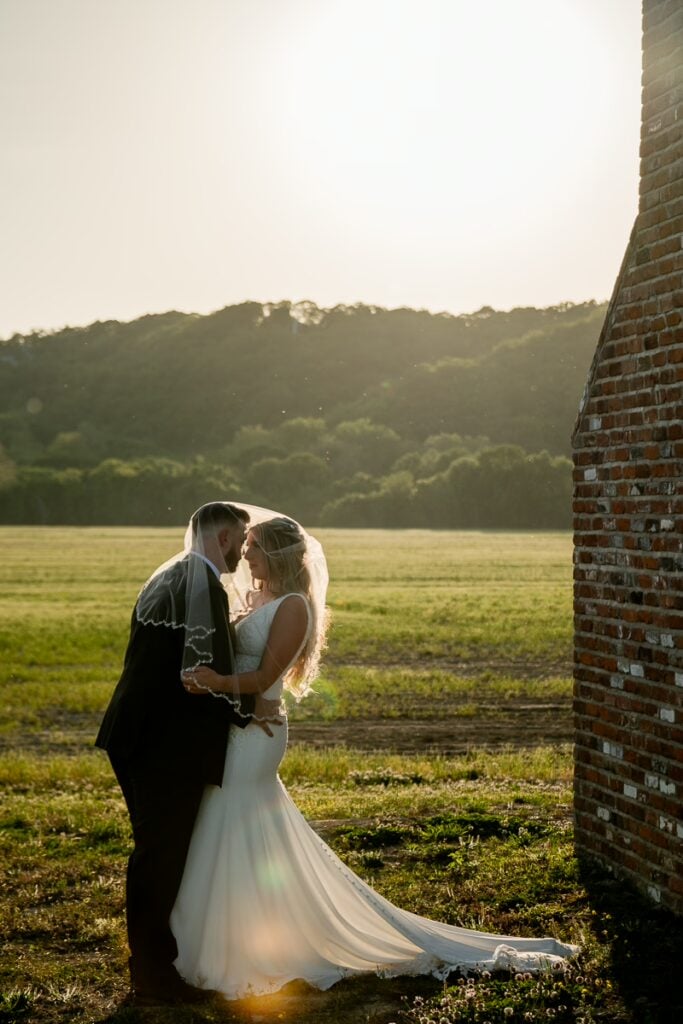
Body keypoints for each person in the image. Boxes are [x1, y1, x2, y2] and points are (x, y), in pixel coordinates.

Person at [171, 504, 578, 1000]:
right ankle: (240, 932)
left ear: (274, 553)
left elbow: (263, 679)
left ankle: (249, 945)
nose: (244, 556)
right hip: (243, 726)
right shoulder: (257, 596)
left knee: (237, 821)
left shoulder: (294, 606)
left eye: (252, 548)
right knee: (235, 826)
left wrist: (216, 682)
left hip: (258, 735)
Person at [95, 502, 282, 1006]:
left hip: (130, 733)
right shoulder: (201, 587)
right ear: (222, 538)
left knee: (153, 851)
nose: (243, 555)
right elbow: (205, 677)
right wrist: (254, 707)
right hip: (163, 746)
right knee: (161, 855)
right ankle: (154, 975)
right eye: (240, 542)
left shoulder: (169, 574)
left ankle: (151, 960)